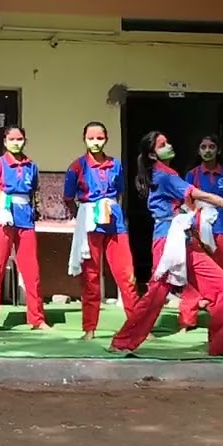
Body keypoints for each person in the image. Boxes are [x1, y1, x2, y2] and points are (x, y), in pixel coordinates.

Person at [110, 131, 223, 357]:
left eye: (167, 141)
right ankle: (123, 341)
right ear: (152, 154)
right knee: (156, 294)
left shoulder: (168, 174)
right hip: (168, 240)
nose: (169, 145)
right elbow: (202, 195)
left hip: (184, 240)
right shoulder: (165, 176)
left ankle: (220, 346)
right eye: (163, 144)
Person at [63, 121, 137, 339]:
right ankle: (89, 328)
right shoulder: (76, 167)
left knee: (126, 275)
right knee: (91, 276)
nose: (95, 143)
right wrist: (83, 217)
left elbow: (120, 193)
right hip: (89, 223)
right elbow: (68, 198)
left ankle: (136, 326)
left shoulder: (116, 165)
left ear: (106, 139)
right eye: (91, 138)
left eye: (99, 138)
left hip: (115, 224)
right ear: (84, 139)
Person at [0, 126, 48, 332]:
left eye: (19, 139)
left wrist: (35, 212)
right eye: (12, 139)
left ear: (25, 140)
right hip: (2, 219)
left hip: (25, 220)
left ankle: (37, 319)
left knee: (31, 269)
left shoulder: (32, 166)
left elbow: (34, 192)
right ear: (5, 141)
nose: (16, 142)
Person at [179, 134, 223, 330]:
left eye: (212, 146)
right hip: (198, 230)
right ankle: (188, 320)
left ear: (218, 150)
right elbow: (186, 204)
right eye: (203, 147)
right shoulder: (192, 175)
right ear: (198, 151)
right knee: (193, 275)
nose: (207, 150)